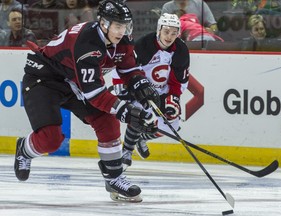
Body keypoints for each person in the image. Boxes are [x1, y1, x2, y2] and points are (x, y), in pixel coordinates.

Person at [14, 0, 160, 203]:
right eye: (117, 26)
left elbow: (128, 70)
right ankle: (24, 149)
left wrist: (142, 85)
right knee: (51, 140)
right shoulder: (87, 42)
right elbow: (95, 94)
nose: (122, 31)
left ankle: (114, 178)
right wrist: (125, 110)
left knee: (107, 120)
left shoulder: (123, 40)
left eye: (125, 25)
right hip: (46, 79)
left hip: (75, 81)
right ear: (103, 23)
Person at [112, 13, 189, 168]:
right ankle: (126, 151)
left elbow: (177, 81)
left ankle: (142, 138)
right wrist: (122, 89)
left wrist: (173, 98)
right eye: (166, 31)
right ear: (159, 30)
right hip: (139, 88)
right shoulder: (144, 45)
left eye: (174, 33)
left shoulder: (180, 50)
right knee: (140, 112)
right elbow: (123, 67)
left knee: (172, 124)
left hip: (162, 92)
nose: (169, 36)